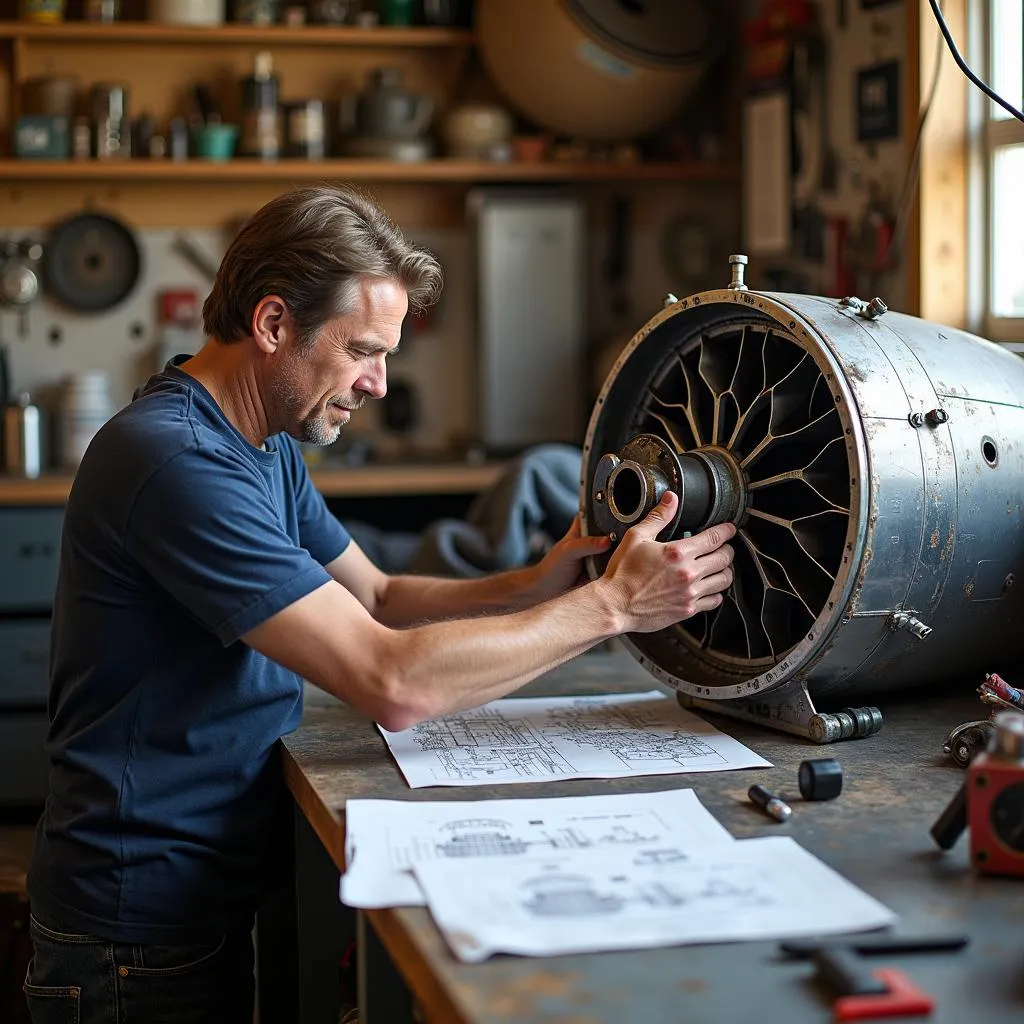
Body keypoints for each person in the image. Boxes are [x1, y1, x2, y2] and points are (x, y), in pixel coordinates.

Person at [23, 185, 735, 1024]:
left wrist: (546, 580)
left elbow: (380, 596)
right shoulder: (176, 462)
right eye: (364, 349)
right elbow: (389, 681)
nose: (379, 383)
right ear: (274, 324)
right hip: (135, 935)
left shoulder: (260, 443)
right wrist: (612, 608)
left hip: (201, 896)